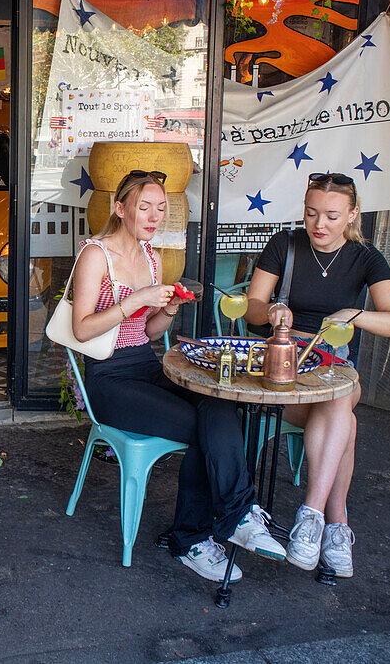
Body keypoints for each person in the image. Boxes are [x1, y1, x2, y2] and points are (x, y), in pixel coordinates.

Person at [71, 170, 286, 582]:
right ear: (120, 209)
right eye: (144, 207)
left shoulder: (151, 256)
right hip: (109, 378)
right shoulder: (95, 254)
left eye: (161, 209)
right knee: (201, 426)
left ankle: (229, 519)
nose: (154, 217)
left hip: (146, 365)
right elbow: (82, 329)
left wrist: (168, 308)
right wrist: (137, 299)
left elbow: (149, 332)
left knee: (219, 402)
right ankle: (198, 536)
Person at [245, 173, 390, 578]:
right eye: (311, 213)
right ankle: (333, 525)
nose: (319, 225)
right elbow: (252, 308)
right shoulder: (285, 244)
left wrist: (355, 313)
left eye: (332, 216)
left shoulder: (366, 257)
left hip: (333, 362)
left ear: (352, 214)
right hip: (284, 360)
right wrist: (272, 313)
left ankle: (312, 516)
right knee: (343, 419)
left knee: (337, 399)